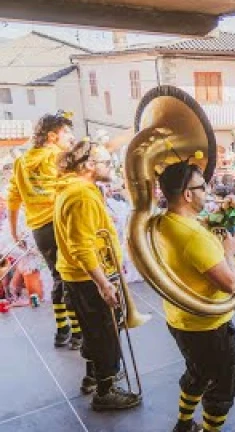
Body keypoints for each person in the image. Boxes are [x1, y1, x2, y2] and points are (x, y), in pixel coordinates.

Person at [155, 162, 235, 432]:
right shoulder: (194, 237)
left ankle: (183, 424)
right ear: (187, 194)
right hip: (208, 327)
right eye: (203, 187)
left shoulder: (162, 222)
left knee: (197, 371)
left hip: (179, 319)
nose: (208, 192)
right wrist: (228, 251)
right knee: (224, 385)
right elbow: (230, 284)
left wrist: (223, 213)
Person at [53, 140, 140, 410]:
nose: (111, 166)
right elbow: (81, 246)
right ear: (89, 165)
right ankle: (105, 391)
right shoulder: (82, 195)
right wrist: (103, 283)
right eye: (106, 162)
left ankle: (93, 376)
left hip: (80, 277)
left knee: (93, 330)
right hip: (88, 279)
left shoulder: (75, 188)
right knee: (104, 334)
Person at [7, 112, 82, 349]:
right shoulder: (58, 157)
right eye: (66, 132)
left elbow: (13, 199)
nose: (71, 137)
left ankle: (62, 330)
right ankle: (78, 333)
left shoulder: (21, 162)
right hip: (61, 223)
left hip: (40, 230)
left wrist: (14, 231)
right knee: (71, 277)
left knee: (57, 276)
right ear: (52, 136)